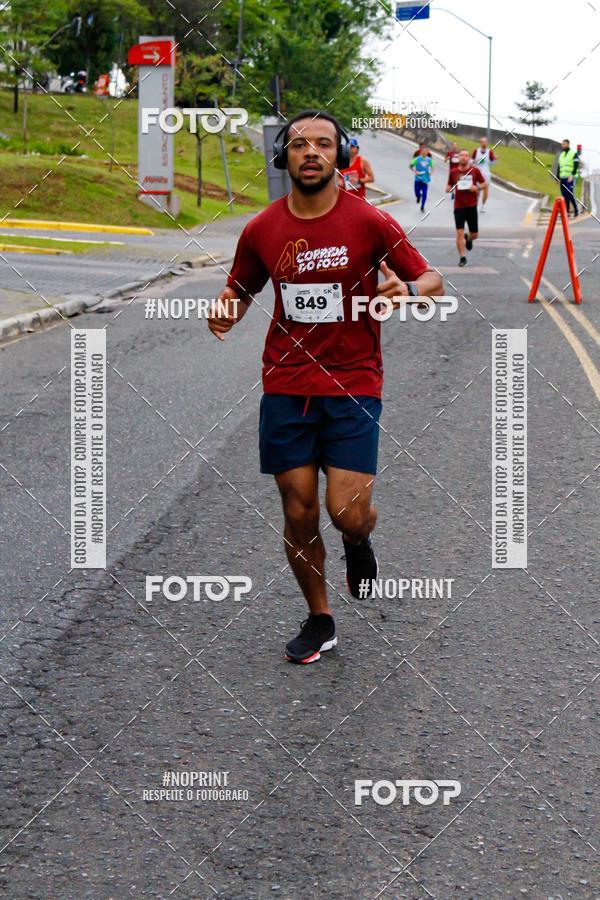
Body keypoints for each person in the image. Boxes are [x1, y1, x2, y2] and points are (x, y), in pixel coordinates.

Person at [208, 109, 443, 664]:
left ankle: (358, 543)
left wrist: (406, 294)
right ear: (283, 157)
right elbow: (239, 290)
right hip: (287, 383)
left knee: (346, 511)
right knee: (298, 510)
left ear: (340, 153)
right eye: (298, 145)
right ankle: (320, 618)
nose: (310, 152)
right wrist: (224, 312)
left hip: (354, 383)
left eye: (322, 143)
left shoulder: (368, 222)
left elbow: (429, 277)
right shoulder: (261, 228)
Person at [446, 148, 485, 267]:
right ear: (459, 158)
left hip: (472, 206)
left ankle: (469, 238)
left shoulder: (475, 171)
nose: (463, 157)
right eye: (461, 155)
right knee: (459, 233)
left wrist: (477, 188)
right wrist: (448, 189)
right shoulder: (453, 172)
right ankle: (462, 257)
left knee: (475, 235)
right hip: (459, 207)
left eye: (465, 155)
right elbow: (449, 185)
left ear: (468, 158)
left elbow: (484, 184)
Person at [470, 136, 497, 212]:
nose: (484, 143)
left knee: (486, 190)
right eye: (482, 142)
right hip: (477, 173)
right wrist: (475, 161)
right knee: (477, 191)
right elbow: (470, 161)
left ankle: (483, 206)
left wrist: (495, 159)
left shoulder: (489, 152)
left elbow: (493, 163)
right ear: (480, 143)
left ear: (487, 143)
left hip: (486, 174)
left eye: (485, 142)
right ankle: (475, 203)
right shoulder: (476, 151)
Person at [556, 139, 579, 217]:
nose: (563, 145)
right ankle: (567, 212)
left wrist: (572, 175)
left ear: (568, 144)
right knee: (564, 195)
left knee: (569, 194)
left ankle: (576, 210)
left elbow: (576, 165)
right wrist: (557, 178)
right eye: (562, 144)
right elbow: (559, 167)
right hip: (562, 178)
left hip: (570, 178)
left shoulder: (573, 153)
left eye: (564, 144)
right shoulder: (561, 154)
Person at [409, 145, 433, 211]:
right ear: (421, 152)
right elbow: (410, 166)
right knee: (417, 192)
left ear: (428, 152)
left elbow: (432, 167)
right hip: (417, 179)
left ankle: (422, 206)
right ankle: (418, 196)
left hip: (425, 179)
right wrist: (415, 171)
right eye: (424, 151)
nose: (425, 152)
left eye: (426, 151)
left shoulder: (429, 160)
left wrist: (431, 172)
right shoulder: (417, 159)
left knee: (425, 193)